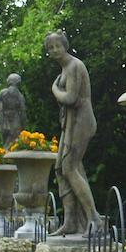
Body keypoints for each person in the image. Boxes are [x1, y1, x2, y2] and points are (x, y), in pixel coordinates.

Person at [45, 31, 101, 236]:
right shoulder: (64, 69)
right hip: (70, 123)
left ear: (65, 45)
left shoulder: (75, 66)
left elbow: (70, 98)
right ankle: (71, 221)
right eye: (50, 48)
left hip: (81, 122)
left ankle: (94, 218)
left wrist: (54, 89)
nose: (54, 50)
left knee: (69, 167)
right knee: (61, 168)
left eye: (57, 46)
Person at [0, 73, 28, 150]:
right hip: (15, 120)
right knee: (13, 142)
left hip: (3, 120)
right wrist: (24, 125)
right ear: (18, 82)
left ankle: (3, 157)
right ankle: (7, 158)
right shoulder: (20, 96)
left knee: (5, 142)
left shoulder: (3, 92)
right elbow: (23, 111)